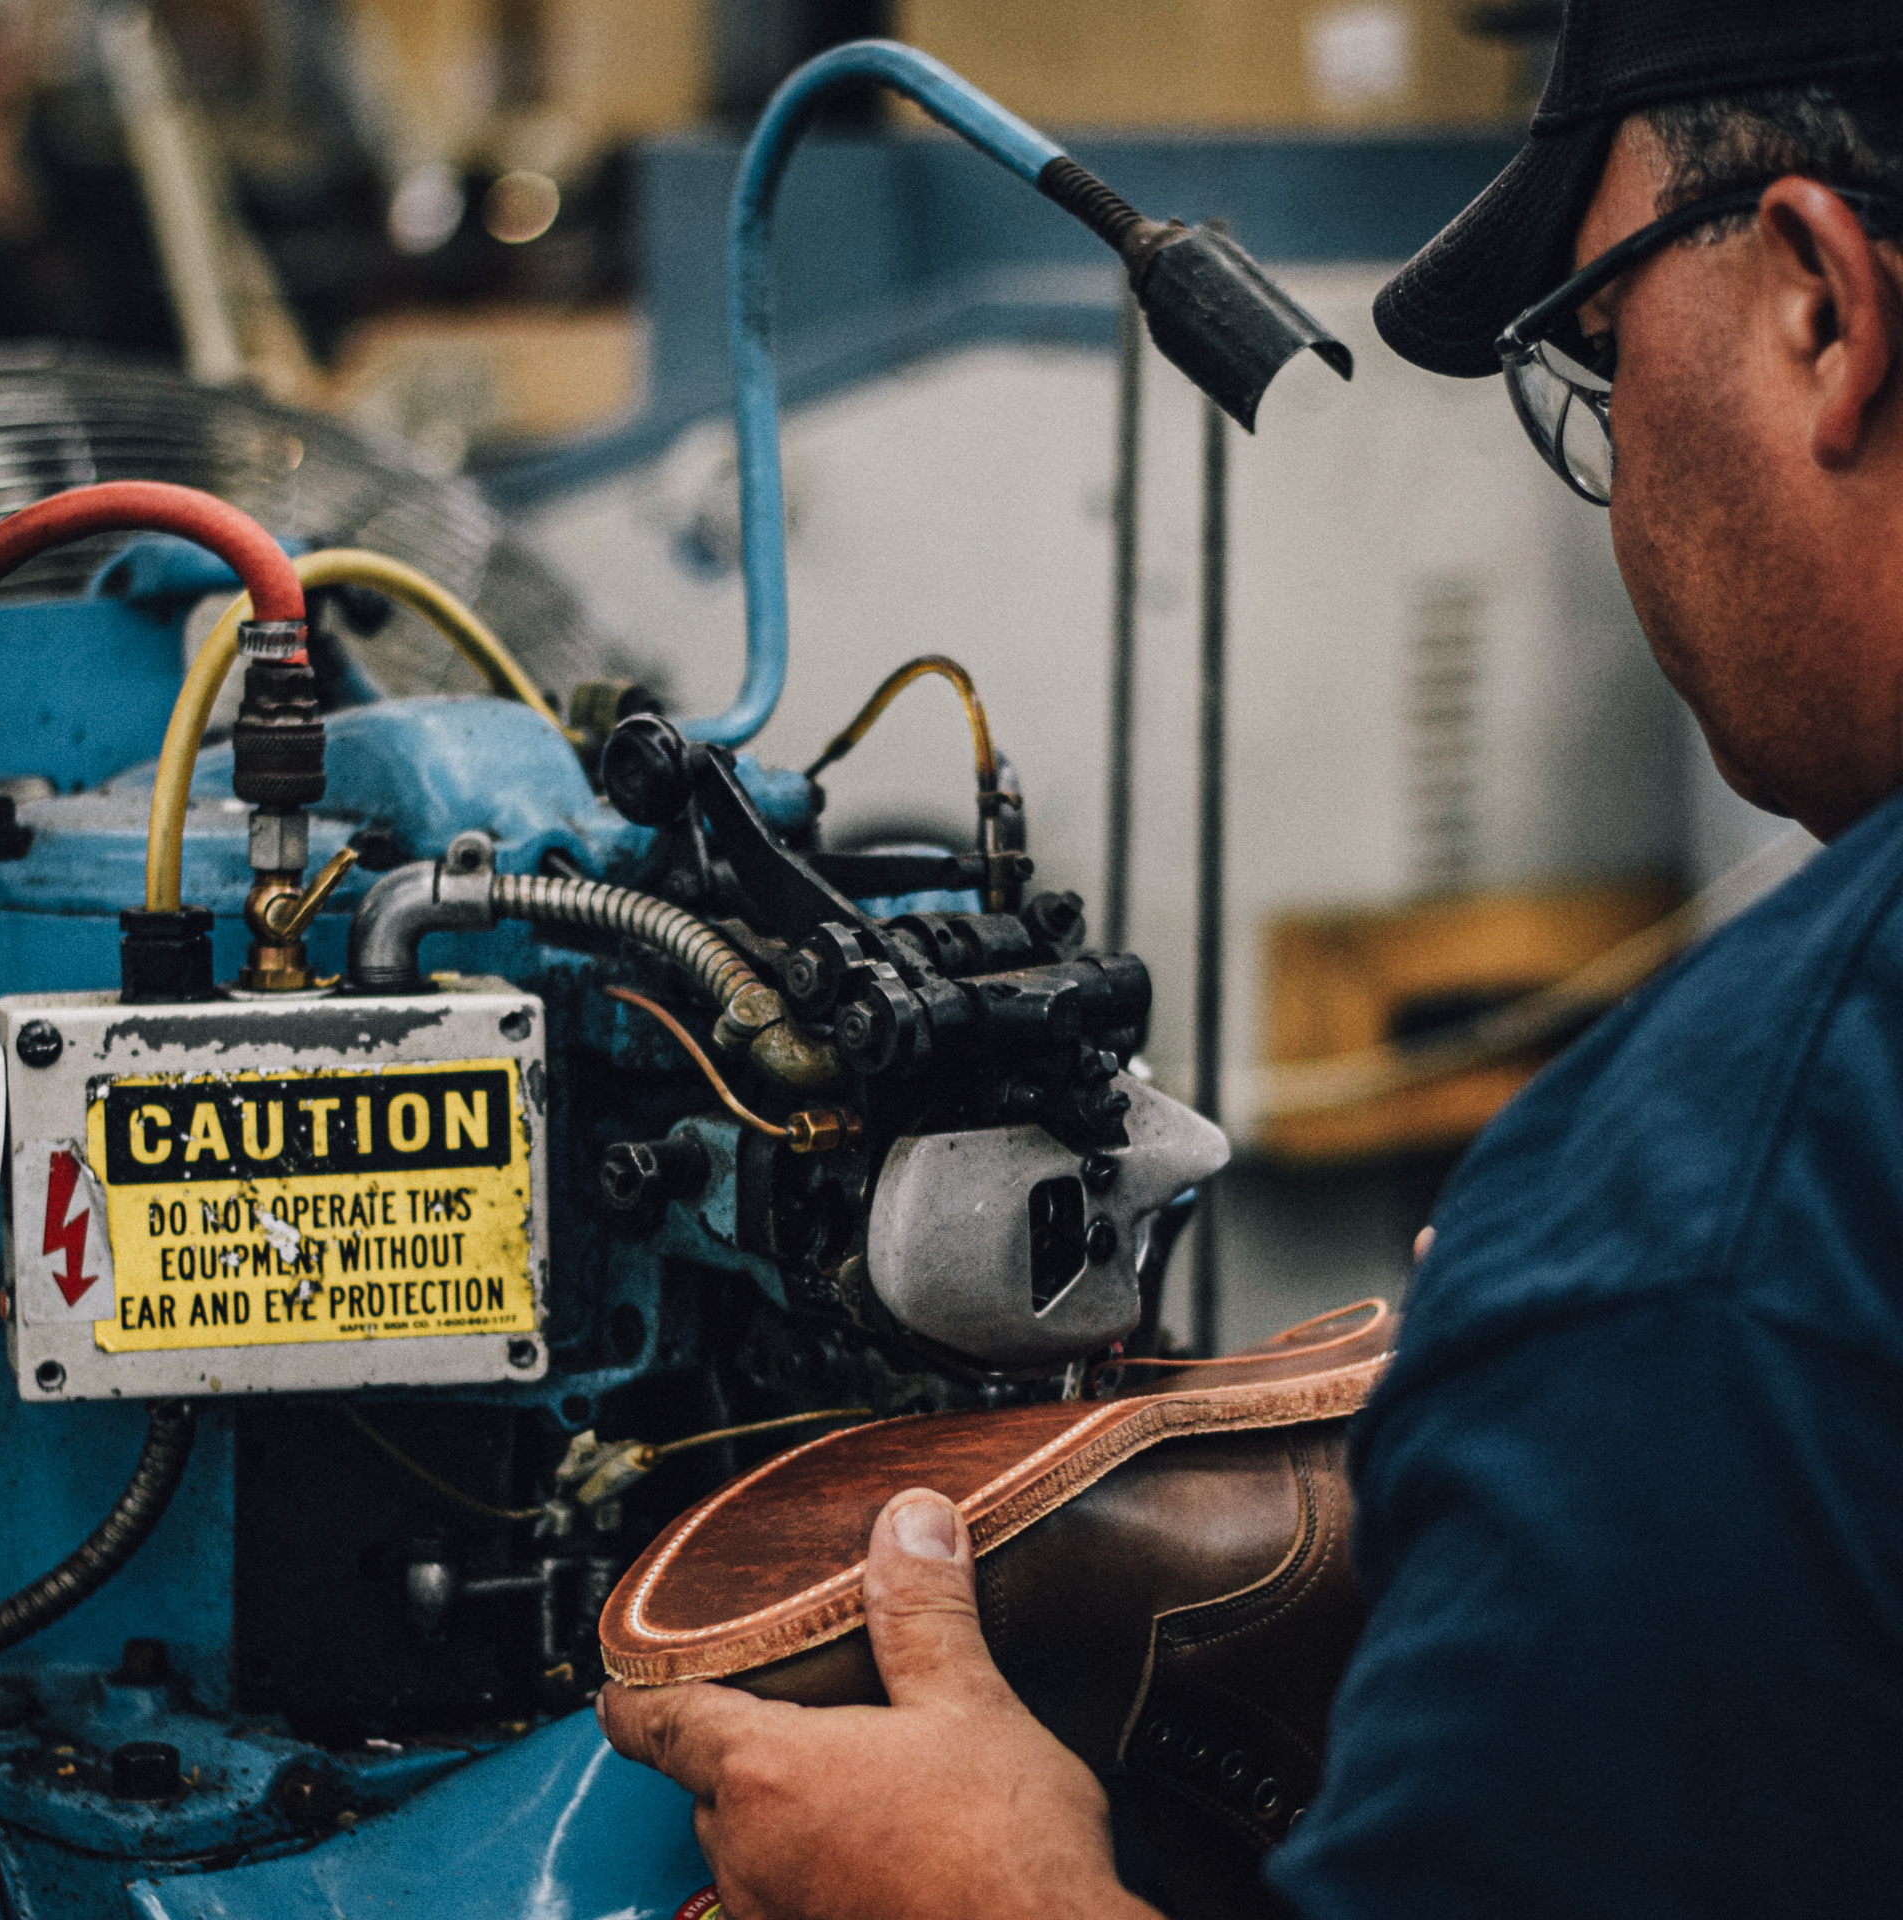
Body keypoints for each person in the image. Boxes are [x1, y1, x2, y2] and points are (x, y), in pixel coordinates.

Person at [597, 3, 1903, 1913]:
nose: (1617, 482)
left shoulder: (1722, 1233)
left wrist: (999, 1894)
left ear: (1820, 307)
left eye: (1601, 364)